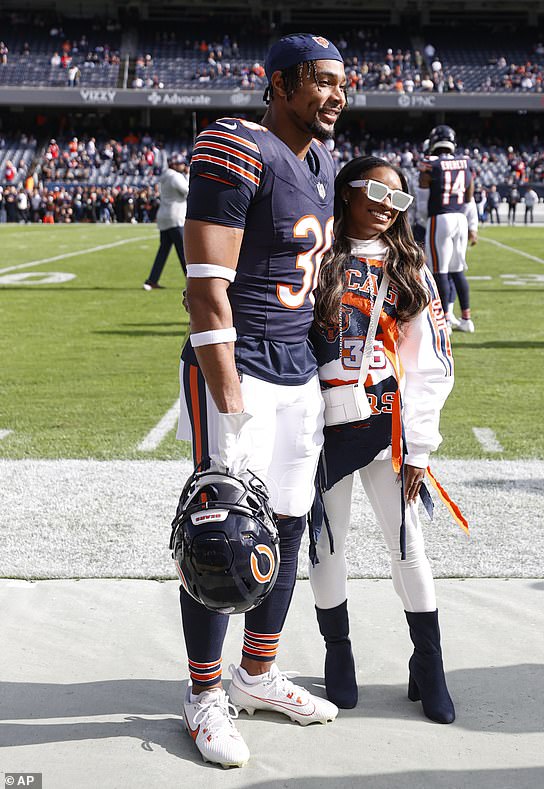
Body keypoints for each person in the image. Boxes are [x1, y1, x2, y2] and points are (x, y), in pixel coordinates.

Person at [176, 33, 346, 768]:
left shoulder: (325, 161)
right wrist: (230, 401)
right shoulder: (234, 143)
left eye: (344, 82)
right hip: (238, 363)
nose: (337, 94)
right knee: (220, 526)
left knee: (286, 522)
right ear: (278, 84)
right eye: (322, 81)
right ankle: (203, 692)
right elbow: (206, 287)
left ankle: (256, 673)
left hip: (296, 365)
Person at [308, 155, 456, 724]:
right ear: (346, 189)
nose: (383, 206)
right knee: (328, 544)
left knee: (407, 545)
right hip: (319, 427)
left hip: (384, 422)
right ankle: (338, 654)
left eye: (396, 200)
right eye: (373, 191)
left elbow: (431, 362)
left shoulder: (408, 265)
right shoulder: (315, 253)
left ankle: (430, 664)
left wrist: (419, 445)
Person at [420, 124, 475, 330]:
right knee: (458, 270)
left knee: (439, 271)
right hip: (460, 217)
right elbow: (469, 198)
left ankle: (443, 320)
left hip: (440, 217)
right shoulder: (466, 162)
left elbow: (424, 199)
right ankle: (466, 319)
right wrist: (472, 225)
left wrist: (422, 219)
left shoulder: (430, 164)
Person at [143, 155, 188, 290]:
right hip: (176, 217)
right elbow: (188, 191)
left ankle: (152, 280)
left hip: (165, 216)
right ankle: (192, 281)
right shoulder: (175, 177)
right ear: (174, 164)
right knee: (183, 251)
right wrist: (188, 176)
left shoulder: (165, 176)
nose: (183, 166)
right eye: (180, 163)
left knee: (163, 251)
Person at [446, 197, 477, 332]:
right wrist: (472, 226)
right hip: (460, 222)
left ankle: (446, 317)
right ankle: (463, 317)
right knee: (455, 272)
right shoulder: (465, 177)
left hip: (438, 220)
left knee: (440, 273)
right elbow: (470, 203)